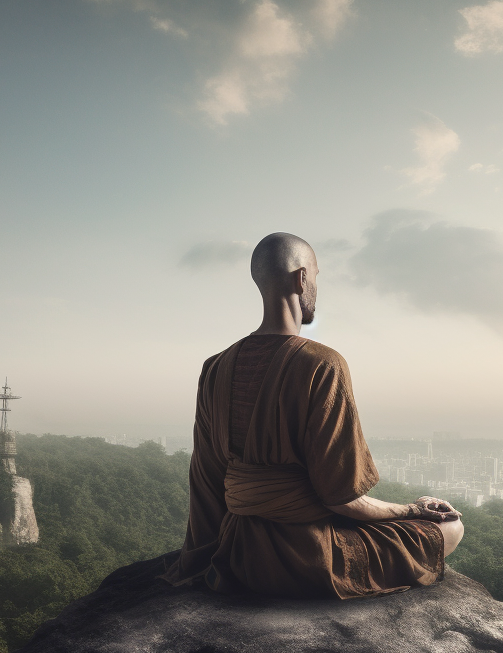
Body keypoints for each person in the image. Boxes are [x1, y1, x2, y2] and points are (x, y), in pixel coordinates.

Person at [163, 232, 464, 597]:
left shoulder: (216, 367)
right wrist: (411, 509)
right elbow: (342, 499)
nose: (316, 287)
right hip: (309, 558)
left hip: (235, 554)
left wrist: (204, 560)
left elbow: (207, 483)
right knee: (451, 529)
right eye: (317, 277)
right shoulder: (323, 364)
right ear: (300, 278)